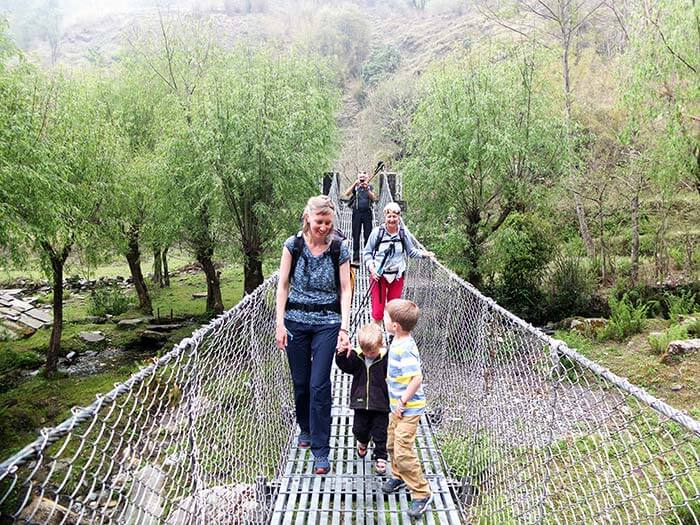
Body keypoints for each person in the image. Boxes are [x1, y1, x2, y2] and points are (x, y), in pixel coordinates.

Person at [275, 195, 352, 475]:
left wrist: (344, 327)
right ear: (308, 218)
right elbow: (282, 285)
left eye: (328, 223)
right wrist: (279, 323)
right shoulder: (292, 246)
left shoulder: (339, 248)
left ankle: (321, 449)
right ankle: (304, 427)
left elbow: (346, 288)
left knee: (320, 384)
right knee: (301, 383)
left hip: (327, 321)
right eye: (319, 222)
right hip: (295, 320)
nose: (324, 227)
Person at [381, 299, 433, 519]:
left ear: (395, 326)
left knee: (403, 448)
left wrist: (402, 401)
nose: (383, 319)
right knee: (392, 442)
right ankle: (399, 475)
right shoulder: (397, 340)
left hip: (408, 409)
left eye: (386, 317)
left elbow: (417, 378)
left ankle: (421, 493)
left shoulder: (406, 348)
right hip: (397, 407)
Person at [363, 202, 434, 326]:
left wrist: (424, 254)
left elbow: (411, 251)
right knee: (378, 312)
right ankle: (376, 341)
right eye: (389, 216)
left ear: (399, 217)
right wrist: (372, 269)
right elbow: (367, 253)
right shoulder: (377, 233)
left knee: (394, 311)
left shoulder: (403, 233)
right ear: (385, 217)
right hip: (379, 275)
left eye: (394, 217)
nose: (392, 219)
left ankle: (392, 339)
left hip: (397, 275)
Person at [335, 323, 389, 475]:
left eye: (372, 351)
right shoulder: (357, 357)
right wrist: (341, 354)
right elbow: (345, 366)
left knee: (380, 432)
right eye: (365, 351)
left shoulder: (387, 358)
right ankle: (363, 441)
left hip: (381, 403)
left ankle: (381, 457)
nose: (368, 354)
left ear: (381, 345)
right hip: (360, 402)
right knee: (359, 429)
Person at [342, 170, 378, 266]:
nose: (362, 175)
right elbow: (346, 194)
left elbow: (374, 198)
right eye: (360, 174)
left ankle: (368, 257)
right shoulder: (355, 187)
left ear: (367, 176)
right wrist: (355, 184)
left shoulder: (369, 186)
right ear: (358, 176)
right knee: (356, 235)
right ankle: (356, 257)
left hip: (367, 213)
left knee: (368, 235)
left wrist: (367, 189)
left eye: (364, 173)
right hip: (356, 213)